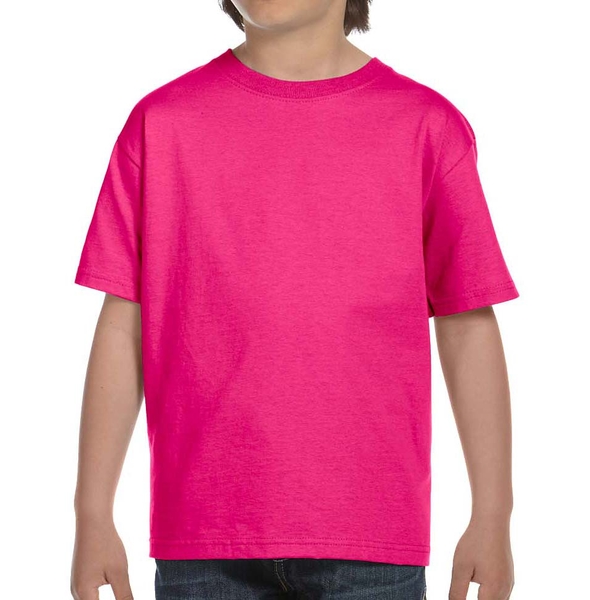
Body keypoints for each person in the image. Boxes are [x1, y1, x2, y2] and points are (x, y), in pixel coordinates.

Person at [70, 1, 519, 598]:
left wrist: (493, 514)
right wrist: (92, 514)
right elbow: (125, 321)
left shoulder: (425, 127)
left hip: (369, 537)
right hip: (204, 538)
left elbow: (468, 323)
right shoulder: (162, 123)